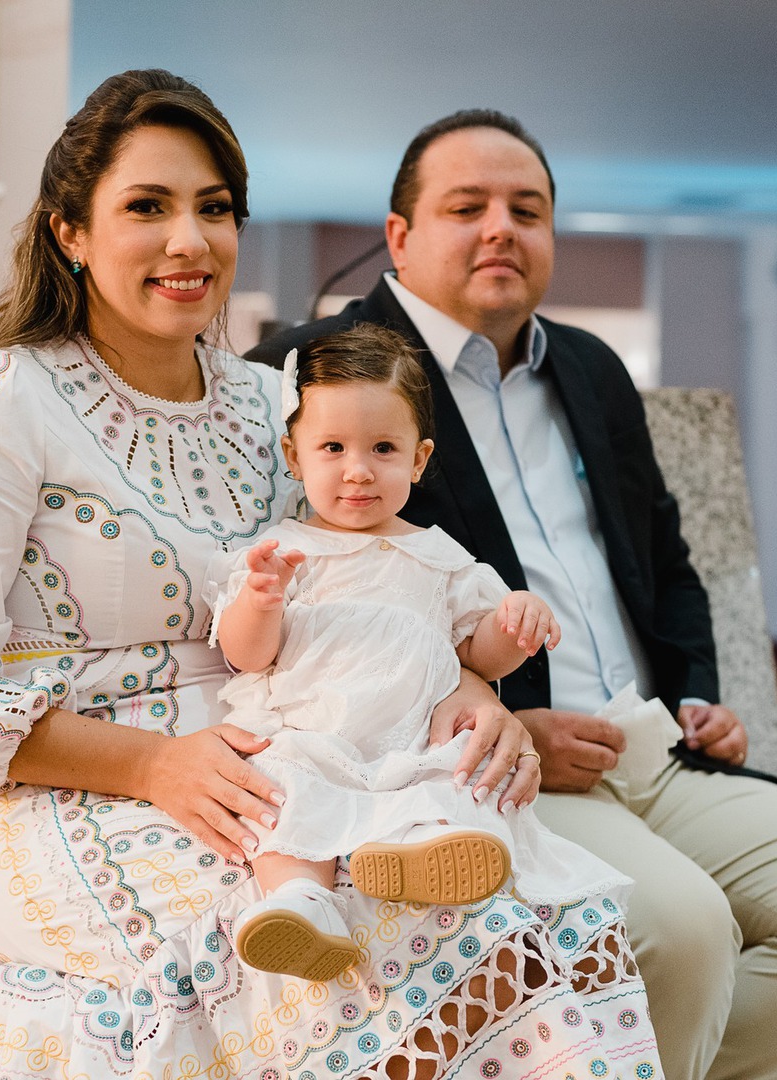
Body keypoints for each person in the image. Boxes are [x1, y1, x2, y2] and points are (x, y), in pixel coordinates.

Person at [0, 73, 662, 1080]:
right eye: (146, 207)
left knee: (516, 929)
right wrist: (153, 766)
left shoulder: (273, 402)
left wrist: (467, 692)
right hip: (76, 796)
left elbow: (364, 584)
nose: (189, 240)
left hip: (305, 761)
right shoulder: (0, 397)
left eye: (214, 208)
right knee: (352, 966)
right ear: (71, 232)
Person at [249, 109, 777, 1080]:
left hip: (651, 743)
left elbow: (664, 558)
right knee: (684, 936)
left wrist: (697, 693)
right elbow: (307, 612)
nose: (502, 228)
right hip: (495, 766)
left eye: (527, 209)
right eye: (467, 207)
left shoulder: (589, 365)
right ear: (399, 235)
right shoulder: (315, 369)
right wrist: (493, 716)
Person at [216, 328, 648, 1035]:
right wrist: (259, 602)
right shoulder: (282, 553)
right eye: (333, 449)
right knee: (283, 787)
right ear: (294, 457)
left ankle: (423, 854)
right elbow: (247, 657)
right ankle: (299, 903)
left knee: (456, 776)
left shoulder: (442, 559)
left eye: (383, 450)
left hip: (411, 736)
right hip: (311, 728)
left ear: (418, 460)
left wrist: (513, 623)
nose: (358, 471)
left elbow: (479, 655)